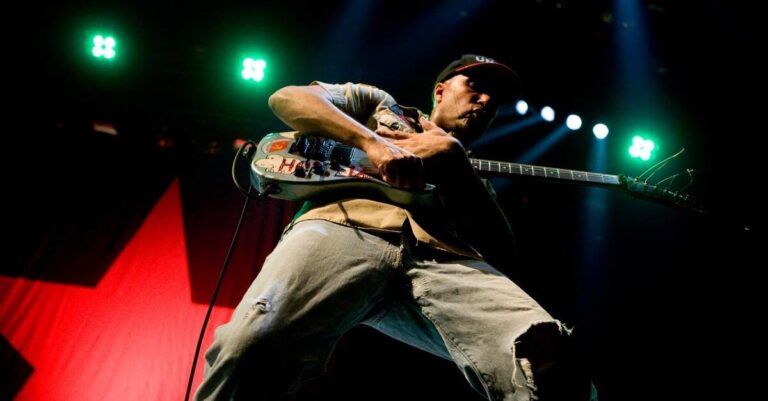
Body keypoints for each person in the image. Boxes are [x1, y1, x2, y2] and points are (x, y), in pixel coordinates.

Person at [195, 54, 593, 401]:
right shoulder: (380, 104)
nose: (486, 101)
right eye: (475, 86)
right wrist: (374, 144)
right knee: (250, 347)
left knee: (549, 359)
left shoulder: (473, 176)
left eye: (495, 99)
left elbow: (503, 254)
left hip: (442, 262)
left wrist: (458, 168)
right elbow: (287, 99)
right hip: (342, 229)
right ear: (440, 90)